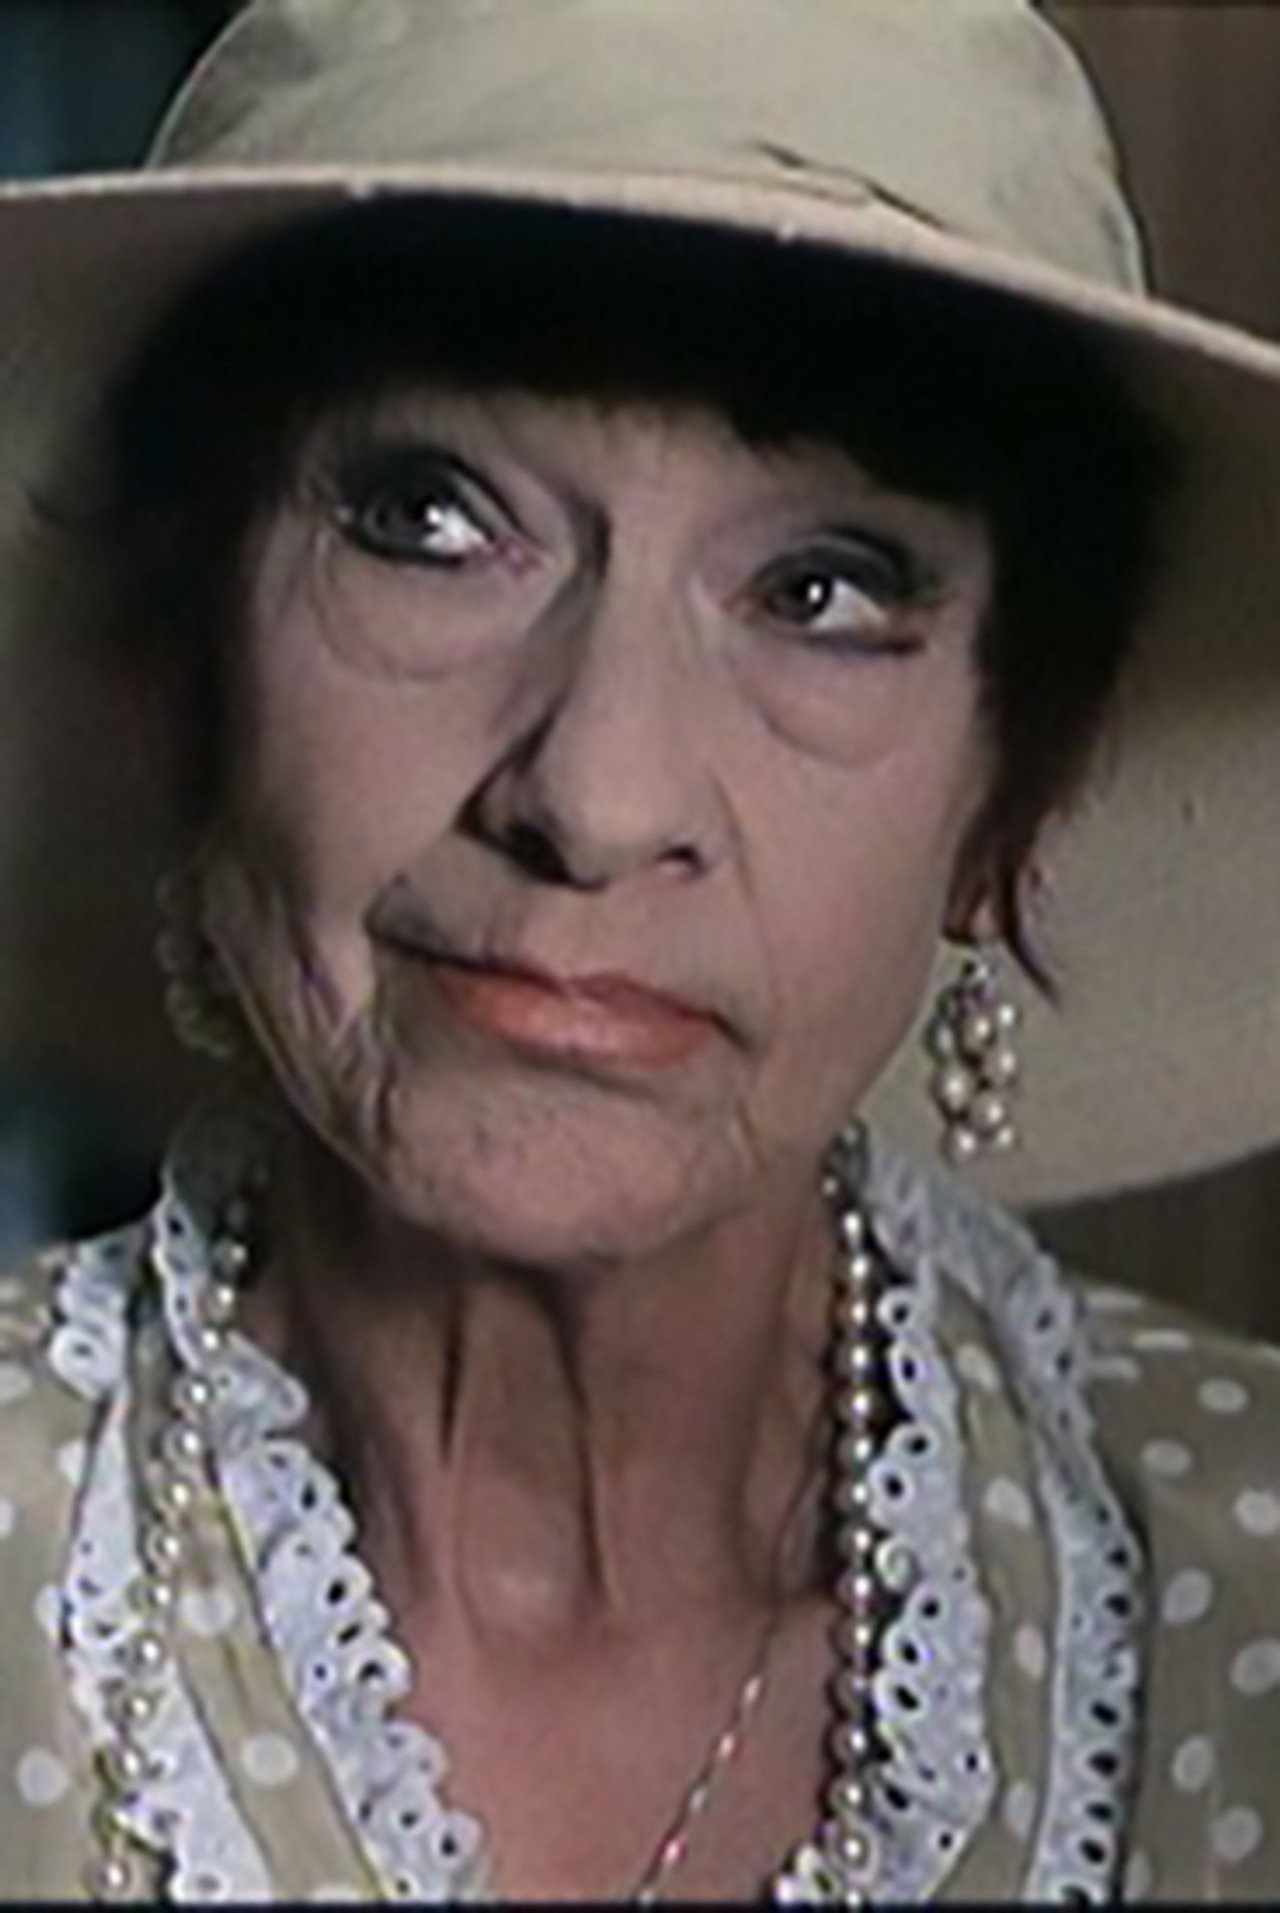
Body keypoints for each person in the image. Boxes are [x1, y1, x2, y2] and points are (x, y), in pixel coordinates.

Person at [1, 0, 1279, 1901]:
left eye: (822, 588)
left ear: (1007, 795)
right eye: (431, 517)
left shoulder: (1238, 1572)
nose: (595, 798)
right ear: (190, 671)